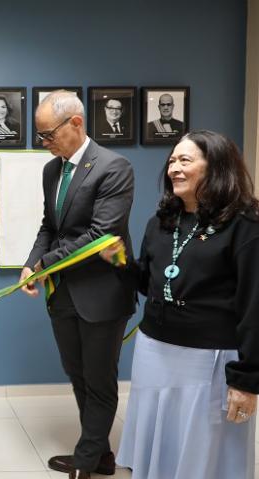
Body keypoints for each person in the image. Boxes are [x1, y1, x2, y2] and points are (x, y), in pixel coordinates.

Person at [98, 130, 259, 479]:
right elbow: (152, 284)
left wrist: (247, 382)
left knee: (201, 456)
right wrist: (122, 263)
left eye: (185, 160)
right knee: (159, 447)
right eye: (172, 160)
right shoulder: (161, 222)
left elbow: (254, 306)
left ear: (215, 167)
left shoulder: (245, 225)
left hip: (209, 360)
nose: (174, 168)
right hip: (154, 351)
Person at [19, 90, 136, 479]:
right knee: (78, 375)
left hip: (103, 294)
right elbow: (49, 227)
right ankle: (98, 453)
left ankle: (85, 464)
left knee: (100, 380)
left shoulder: (114, 167)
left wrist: (44, 265)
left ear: (76, 123)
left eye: (48, 134)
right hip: (64, 295)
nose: (45, 143)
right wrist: (30, 263)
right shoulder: (51, 170)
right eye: (41, 136)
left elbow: (101, 235)